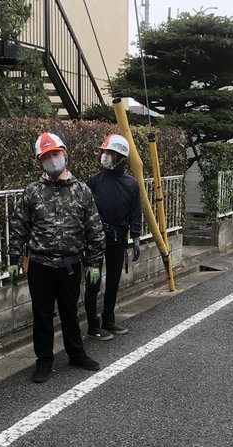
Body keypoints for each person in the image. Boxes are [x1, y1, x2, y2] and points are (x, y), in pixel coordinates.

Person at [8, 132, 105, 383]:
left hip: (71, 264)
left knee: (70, 311)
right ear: (40, 161)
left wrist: (94, 261)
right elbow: (19, 226)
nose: (52, 160)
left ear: (65, 154)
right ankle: (44, 360)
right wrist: (13, 257)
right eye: (47, 156)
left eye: (56, 154)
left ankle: (76, 353)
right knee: (42, 315)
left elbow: (94, 228)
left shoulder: (82, 191)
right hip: (40, 264)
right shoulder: (32, 192)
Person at [83, 134, 142, 340]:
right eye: (104, 152)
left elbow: (135, 212)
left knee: (113, 281)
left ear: (120, 157)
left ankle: (109, 320)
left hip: (118, 238)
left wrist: (135, 237)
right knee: (93, 281)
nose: (104, 156)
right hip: (95, 239)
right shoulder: (94, 181)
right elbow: (84, 211)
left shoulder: (131, 184)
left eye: (110, 153)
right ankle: (93, 326)